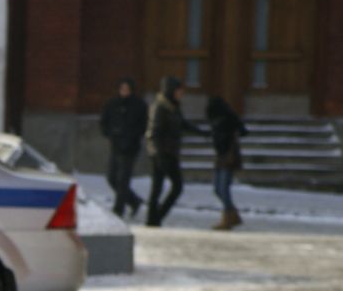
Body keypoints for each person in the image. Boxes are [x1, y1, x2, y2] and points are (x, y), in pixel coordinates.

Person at [144, 76, 198, 228]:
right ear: (171, 90)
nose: (181, 94)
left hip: (170, 152)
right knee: (172, 186)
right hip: (162, 153)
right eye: (179, 90)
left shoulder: (174, 107)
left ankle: (154, 218)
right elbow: (154, 133)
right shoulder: (160, 107)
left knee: (160, 186)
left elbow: (182, 123)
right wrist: (158, 154)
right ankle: (155, 216)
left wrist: (200, 132)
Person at [99, 77, 148, 220]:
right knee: (112, 178)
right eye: (122, 89)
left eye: (127, 89)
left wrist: (131, 137)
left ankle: (118, 209)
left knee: (123, 180)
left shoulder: (139, 105)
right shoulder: (112, 104)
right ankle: (133, 201)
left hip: (130, 148)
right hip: (116, 145)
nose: (124, 91)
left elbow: (142, 126)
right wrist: (110, 134)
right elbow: (104, 122)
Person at [206, 96, 248, 231]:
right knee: (219, 189)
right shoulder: (219, 119)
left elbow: (243, 131)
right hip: (222, 157)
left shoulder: (226, 119)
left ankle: (228, 218)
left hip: (227, 157)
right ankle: (232, 214)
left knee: (223, 189)